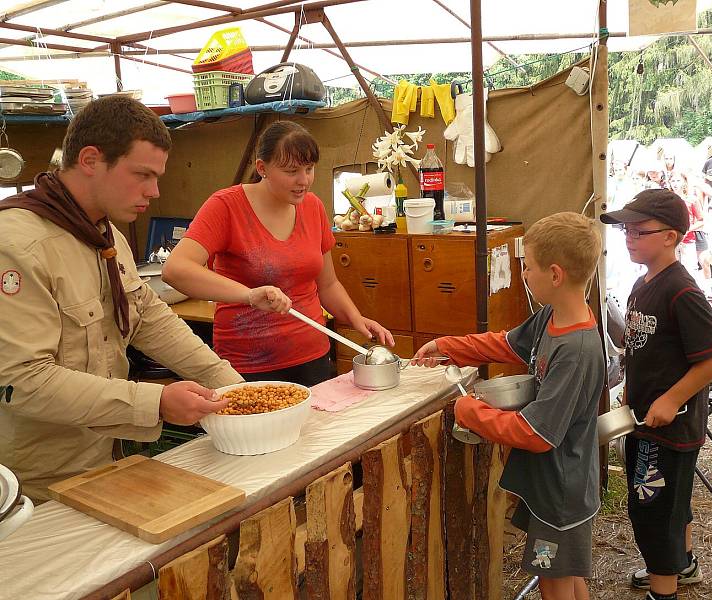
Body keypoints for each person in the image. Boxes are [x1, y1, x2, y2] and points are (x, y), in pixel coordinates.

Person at [0, 97, 242, 502]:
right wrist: (154, 402)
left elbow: (148, 316)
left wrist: (232, 387)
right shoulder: (18, 246)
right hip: (37, 484)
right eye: (142, 174)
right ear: (91, 159)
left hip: (102, 458)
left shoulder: (104, 235)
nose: (154, 191)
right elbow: (21, 380)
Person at [412, 212, 605, 600]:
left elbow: (535, 434)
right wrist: (449, 346)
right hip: (550, 485)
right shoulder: (553, 316)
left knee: (554, 581)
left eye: (527, 268)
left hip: (560, 492)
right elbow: (506, 343)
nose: (524, 276)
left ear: (554, 275)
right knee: (567, 574)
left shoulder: (577, 350)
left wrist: (469, 410)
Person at [162, 121, 393, 388]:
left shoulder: (313, 207)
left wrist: (356, 319)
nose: (303, 180)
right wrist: (249, 295)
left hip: (312, 357)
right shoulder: (226, 207)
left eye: (309, 169)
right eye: (291, 171)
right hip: (247, 365)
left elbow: (328, 284)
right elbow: (175, 270)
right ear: (262, 168)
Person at [600, 189, 712, 600]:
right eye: (626, 230)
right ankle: (683, 565)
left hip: (668, 429)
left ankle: (664, 590)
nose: (628, 238)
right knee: (674, 505)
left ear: (671, 236)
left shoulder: (681, 290)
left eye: (639, 231)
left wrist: (672, 398)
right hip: (642, 419)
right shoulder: (643, 284)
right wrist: (629, 395)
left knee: (654, 513)